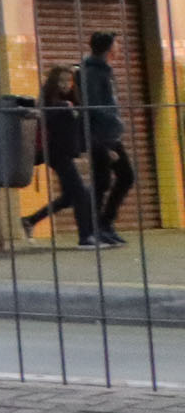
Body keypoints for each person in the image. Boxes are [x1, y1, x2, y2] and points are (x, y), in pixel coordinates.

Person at [31, 64, 100, 248]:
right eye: (61, 80)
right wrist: (64, 107)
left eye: (68, 80)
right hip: (55, 152)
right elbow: (45, 116)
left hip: (65, 153)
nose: (65, 84)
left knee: (69, 197)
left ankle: (30, 221)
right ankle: (86, 237)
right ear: (53, 82)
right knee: (81, 193)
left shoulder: (72, 99)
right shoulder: (50, 100)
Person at [82, 31, 134, 249]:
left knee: (115, 178)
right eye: (117, 45)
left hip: (109, 133)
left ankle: (103, 224)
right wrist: (106, 138)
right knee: (112, 179)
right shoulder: (93, 73)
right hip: (101, 135)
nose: (119, 48)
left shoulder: (103, 70)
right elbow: (93, 106)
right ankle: (97, 226)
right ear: (109, 48)